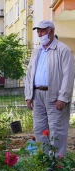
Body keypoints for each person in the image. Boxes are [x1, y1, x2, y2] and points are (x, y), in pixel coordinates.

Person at [25, 20, 75, 156]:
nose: (39, 34)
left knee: (57, 130)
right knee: (40, 129)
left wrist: (63, 97)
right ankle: (44, 161)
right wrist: (28, 96)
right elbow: (29, 74)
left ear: (51, 32)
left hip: (55, 95)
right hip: (37, 95)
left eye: (42, 31)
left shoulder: (62, 49)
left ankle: (57, 164)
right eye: (38, 31)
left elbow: (68, 75)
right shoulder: (37, 51)